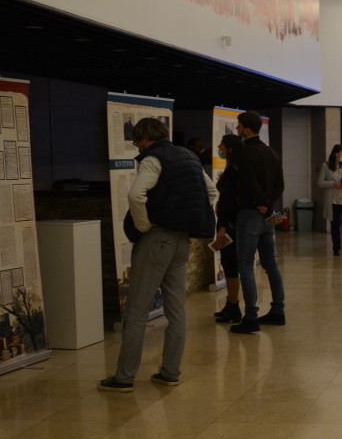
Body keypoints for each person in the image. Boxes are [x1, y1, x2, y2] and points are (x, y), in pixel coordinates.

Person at [98, 117, 217, 392]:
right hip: (181, 241)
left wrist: (144, 226)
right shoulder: (188, 156)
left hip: (157, 240)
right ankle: (170, 371)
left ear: (145, 138)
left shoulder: (153, 159)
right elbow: (212, 192)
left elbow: (136, 195)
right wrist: (185, 217)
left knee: (137, 312)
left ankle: (124, 377)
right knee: (177, 310)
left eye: (137, 141)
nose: (138, 146)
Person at [228, 110, 286, 334]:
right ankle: (278, 310)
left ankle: (251, 316)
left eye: (238, 125)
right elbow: (280, 184)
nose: (237, 129)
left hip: (250, 213)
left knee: (245, 264)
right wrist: (268, 206)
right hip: (267, 215)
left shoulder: (243, 153)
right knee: (270, 263)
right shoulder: (271, 152)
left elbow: (249, 183)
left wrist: (261, 203)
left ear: (246, 129)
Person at [212, 134, 243, 323]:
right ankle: (231, 304)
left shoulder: (232, 170)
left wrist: (222, 228)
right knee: (229, 264)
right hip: (233, 222)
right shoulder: (237, 167)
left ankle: (233, 306)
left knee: (230, 264)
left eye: (222, 144)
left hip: (229, 224)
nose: (219, 147)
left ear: (229, 148)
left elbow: (228, 201)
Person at [317, 144, 342, 257]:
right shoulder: (326, 165)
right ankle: (336, 248)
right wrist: (333, 183)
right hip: (333, 200)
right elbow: (320, 183)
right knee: (335, 225)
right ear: (336, 154)